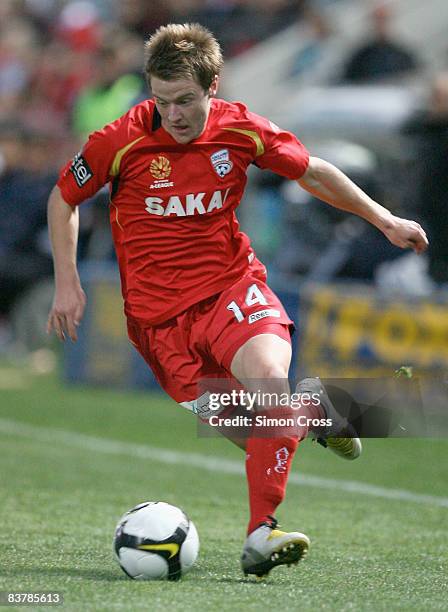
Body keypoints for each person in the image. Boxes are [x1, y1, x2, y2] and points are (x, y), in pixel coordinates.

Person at [47, 23, 428, 578]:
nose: (172, 115)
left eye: (185, 101)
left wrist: (384, 220)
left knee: (270, 385)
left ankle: (260, 536)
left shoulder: (241, 130)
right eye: (160, 101)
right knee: (255, 432)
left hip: (232, 288)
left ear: (213, 87)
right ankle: (320, 412)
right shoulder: (121, 139)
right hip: (159, 324)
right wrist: (68, 280)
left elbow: (312, 172)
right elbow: (64, 198)